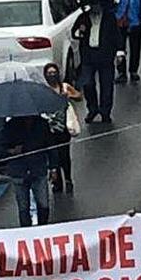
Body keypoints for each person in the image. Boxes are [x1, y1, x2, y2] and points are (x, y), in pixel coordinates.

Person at [4, 116, 57, 226]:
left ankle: (43, 228)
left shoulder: (42, 124)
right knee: (23, 208)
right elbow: (1, 148)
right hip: (19, 171)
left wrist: (53, 167)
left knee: (43, 204)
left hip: (38, 169)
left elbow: (51, 146)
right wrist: (12, 151)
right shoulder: (10, 126)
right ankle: (27, 232)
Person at [72, 1, 119, 123]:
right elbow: (74, 33)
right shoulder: (83, 18)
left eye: (97, 4)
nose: (95, 7)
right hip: (88, 56)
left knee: (107, 86)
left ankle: (105, 112)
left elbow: (116, 35)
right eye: (93, 5)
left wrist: (120, 51)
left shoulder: (110, 18)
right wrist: (80, 30)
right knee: (87, 83)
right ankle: (92, 109)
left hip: (105, 56)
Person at [44, 63, 82, 194]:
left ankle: (68, 179)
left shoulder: (65, 87)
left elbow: (79, 96)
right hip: (49, 128)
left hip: (63, 128)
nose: (52, 75)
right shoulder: (43, 90)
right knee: (53, 156)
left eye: (54, 72)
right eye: (49, 73)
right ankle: (57, 182)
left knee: (64, 155)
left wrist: (69, 96)